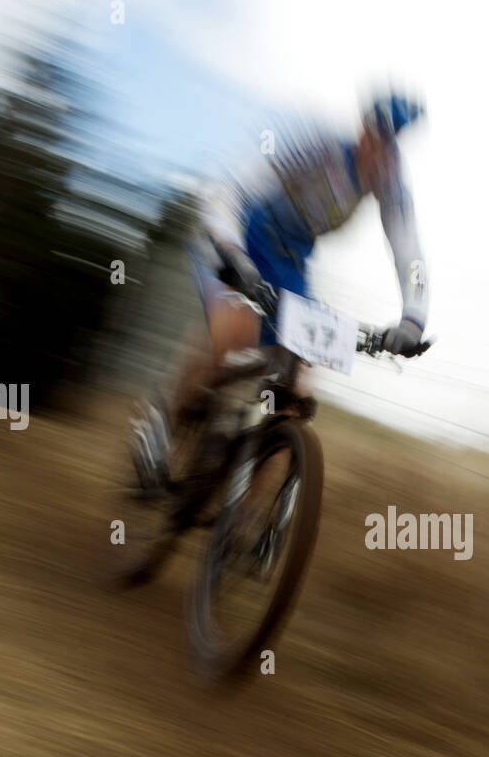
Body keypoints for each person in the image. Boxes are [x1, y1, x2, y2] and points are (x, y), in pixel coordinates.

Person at [135, 93, 429, 483]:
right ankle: (164, 420)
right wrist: (231, 251)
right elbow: (233, 189)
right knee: (233, 334)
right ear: (363, 129)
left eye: (393, 142)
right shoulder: (318, 147)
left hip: (290, 261)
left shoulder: (391, 185)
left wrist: (412, 319)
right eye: (379, 135)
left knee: (297, 389)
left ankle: (251, 520)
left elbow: (409, 253)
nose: (383, 151)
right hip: (242, 235)